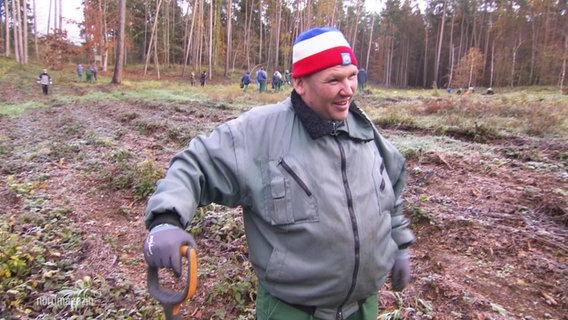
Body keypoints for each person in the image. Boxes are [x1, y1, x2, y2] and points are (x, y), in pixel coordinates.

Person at [142, 27, 415, 320]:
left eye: (351, 76)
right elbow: (194, 165)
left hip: (362, 310)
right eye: (334, 80)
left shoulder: (364, 132)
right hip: (292, 312)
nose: (348, 89)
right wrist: (165, 220)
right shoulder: (258, 133)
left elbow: (389, 194)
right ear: (300, 83)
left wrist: (398, 245)